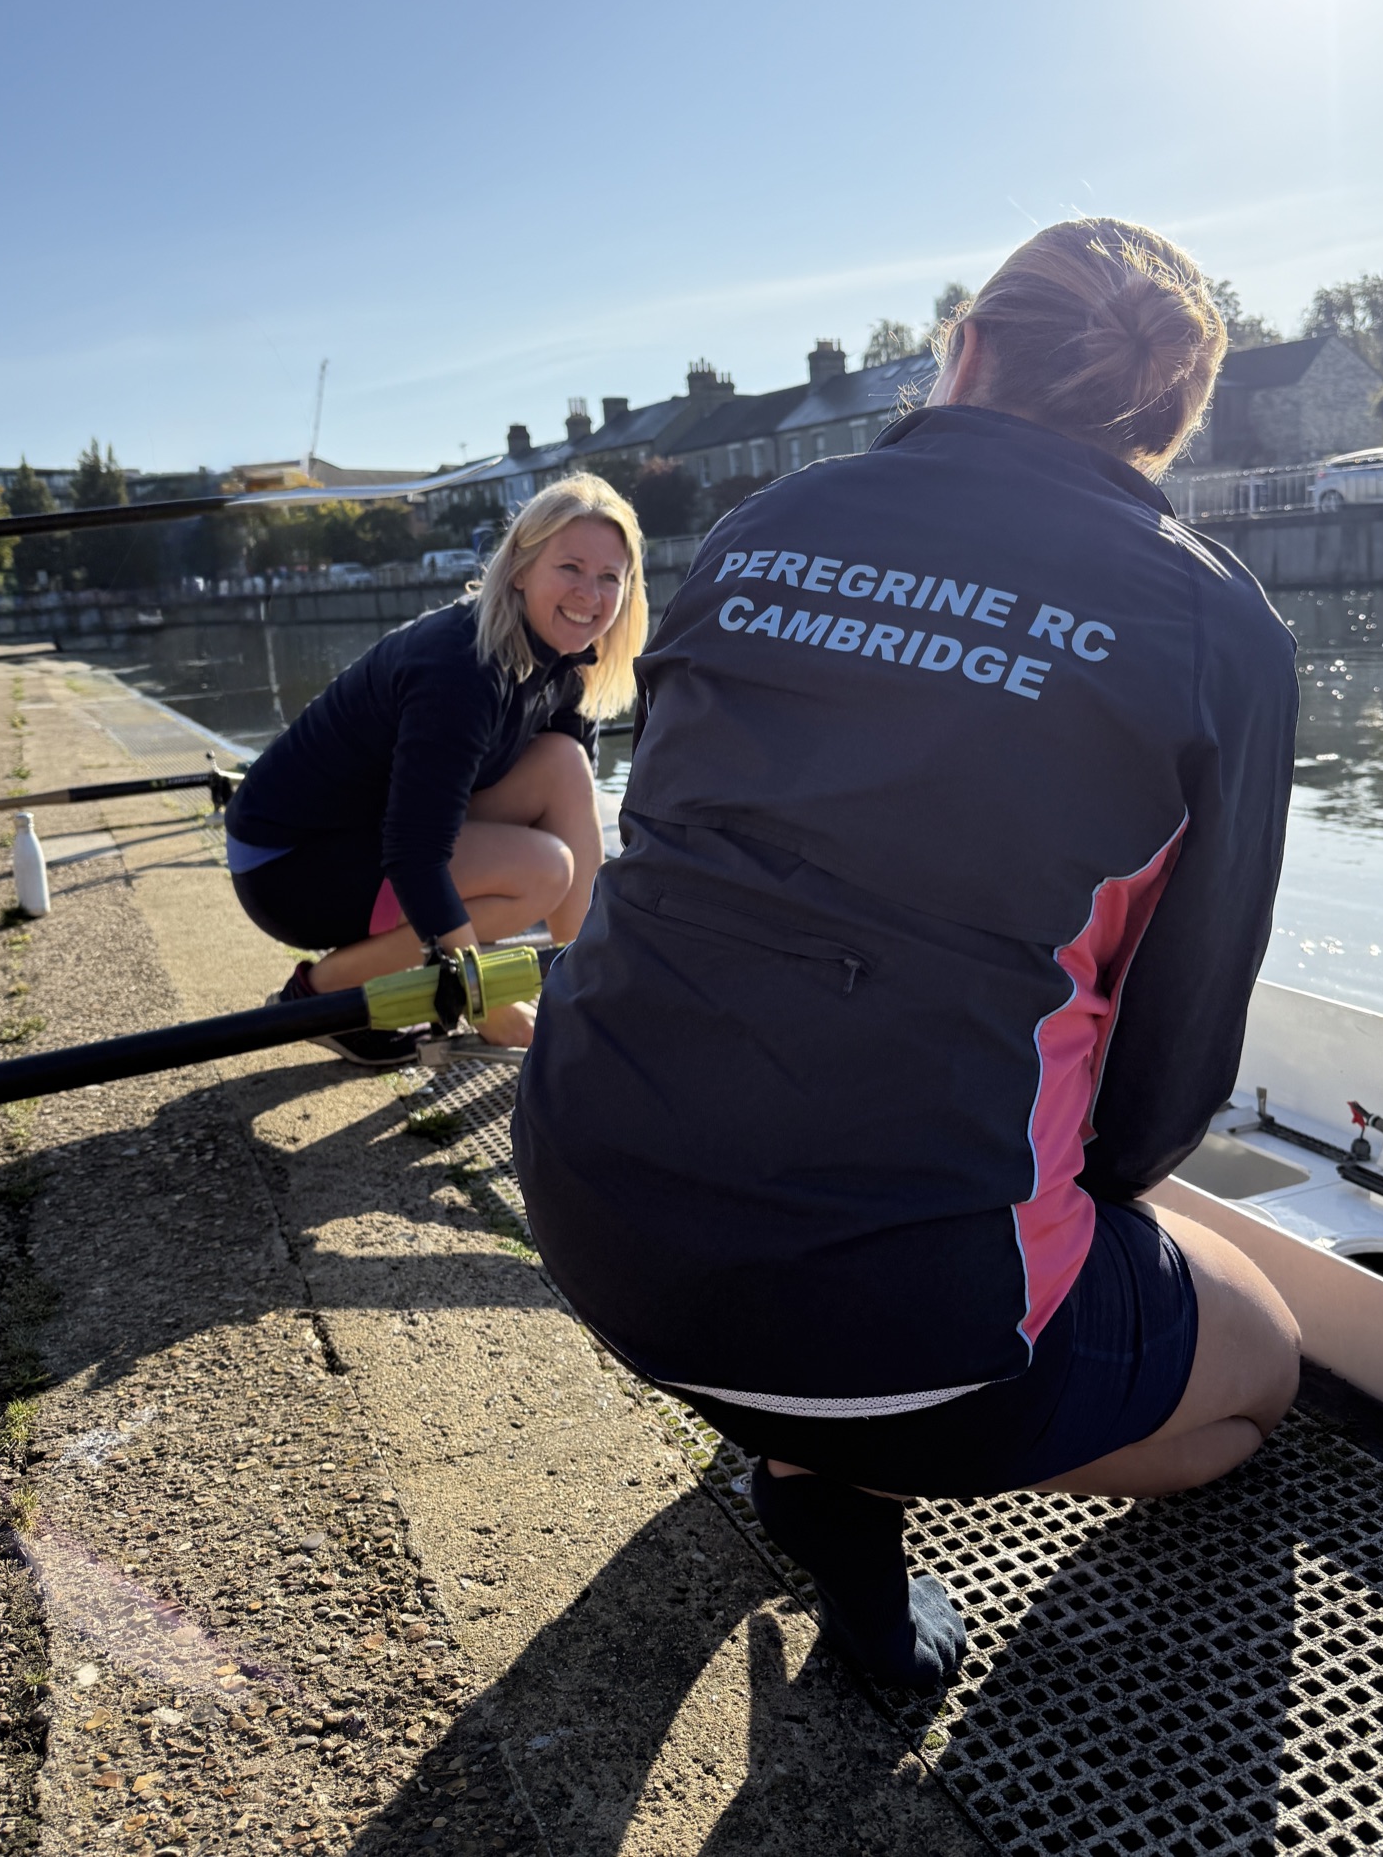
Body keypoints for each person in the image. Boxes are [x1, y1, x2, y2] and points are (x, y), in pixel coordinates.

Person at [514, 221, 1302, 1694]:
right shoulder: (1216, 626)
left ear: (969, 349)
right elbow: (1164, 1088)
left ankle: (809, 1444)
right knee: (1260, 1375)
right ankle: (838, 1457)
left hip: (591, 1211)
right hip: (912, 1332)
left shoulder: (762, 526)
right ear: (1164, 425)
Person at [224, 474, 646, 1065]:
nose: (590, 595)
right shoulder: (463, 668)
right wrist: (488, 1004)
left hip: (371, 832)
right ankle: (317, 994)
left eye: (610, 578)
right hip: (289, 864)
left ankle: (586, 995)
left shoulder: (569, 660)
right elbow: (415, 853)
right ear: (520, 568)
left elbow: (561, 800)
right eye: (570, 567)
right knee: (543, 871)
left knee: (563, 762)